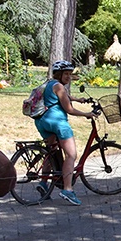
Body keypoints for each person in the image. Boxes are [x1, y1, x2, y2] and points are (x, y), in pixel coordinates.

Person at [34, 60, 97, 206]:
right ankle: (67, 190)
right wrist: (87, 113)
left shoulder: (50, 84)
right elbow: (69, 109)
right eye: (66, 74)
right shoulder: (60, 87)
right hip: (57, 123)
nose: (68, 77)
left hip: (43, 122)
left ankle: (43, 183)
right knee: (71, 155)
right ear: (59, 74)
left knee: (52, 151)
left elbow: (60, 97)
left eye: (70, 74)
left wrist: (78, 99)